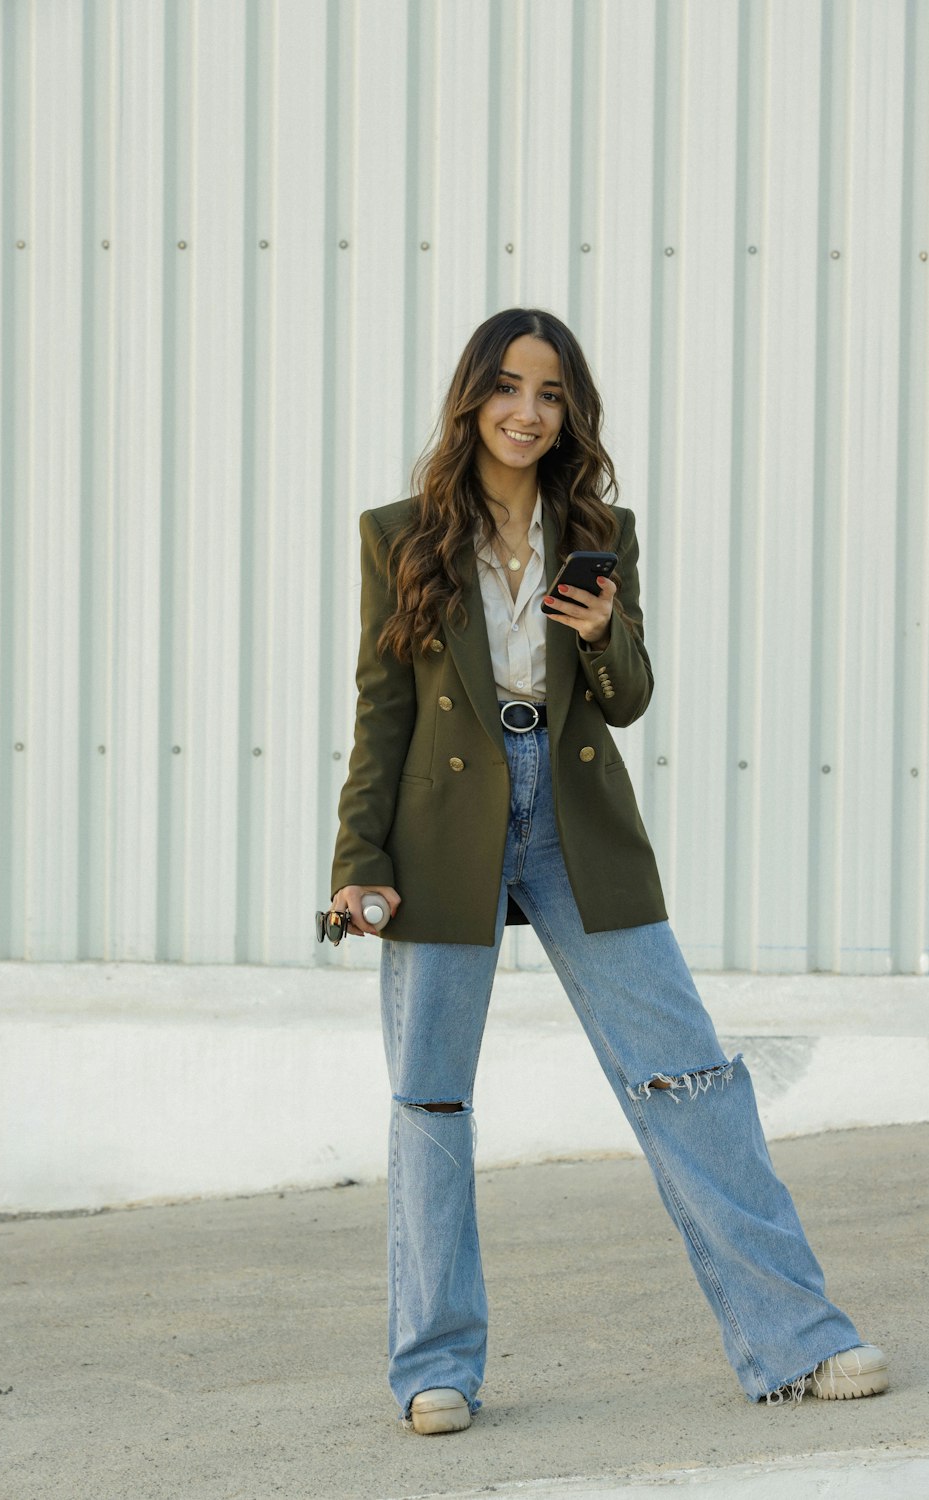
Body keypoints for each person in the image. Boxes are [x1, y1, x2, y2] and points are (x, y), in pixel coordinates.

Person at [328, 307, 888, 1435]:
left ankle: (798, 1339)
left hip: (571, 814)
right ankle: (435, 1366)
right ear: (471, 398)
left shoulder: (598, 529)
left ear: (569, 412)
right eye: (508, 388)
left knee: (687, 1076)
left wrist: (599, 629)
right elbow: (381, 711)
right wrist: (358, 861)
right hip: (443, 823)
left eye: (550, 394)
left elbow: (626, 699)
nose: (527, 413)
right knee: (430, 1099)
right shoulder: (401, 534)